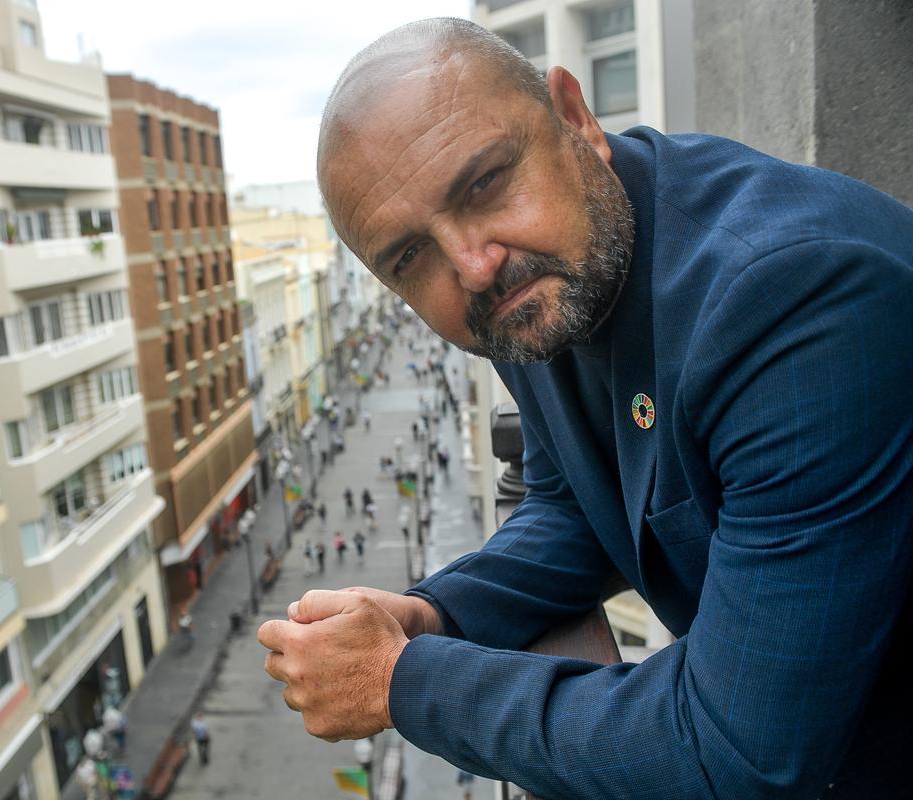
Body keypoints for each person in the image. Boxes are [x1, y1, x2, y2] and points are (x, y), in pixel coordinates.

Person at [258, 17, 913, 800]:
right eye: (410, 255)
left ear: (576, 119)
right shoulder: (542, 284)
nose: (472, 265)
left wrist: (402, 680)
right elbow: (574, 507)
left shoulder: (791, 303)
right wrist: (430, 616)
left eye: (485, 182)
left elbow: (739, 758)